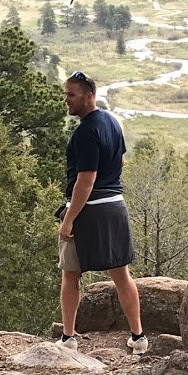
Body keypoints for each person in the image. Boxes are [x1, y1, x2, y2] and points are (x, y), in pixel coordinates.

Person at [57, 70, 148, 355]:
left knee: (70, 274)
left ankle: (68, 338)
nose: (67, 101)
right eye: (66, 94)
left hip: (88, 210)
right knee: (121, 274)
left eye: (71, 95)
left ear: (89, 95)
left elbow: (86, 180)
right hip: (115, 207)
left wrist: (69, 219)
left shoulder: (84, 133)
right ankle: (138, 336)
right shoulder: (111, 121)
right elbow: (119, 159)